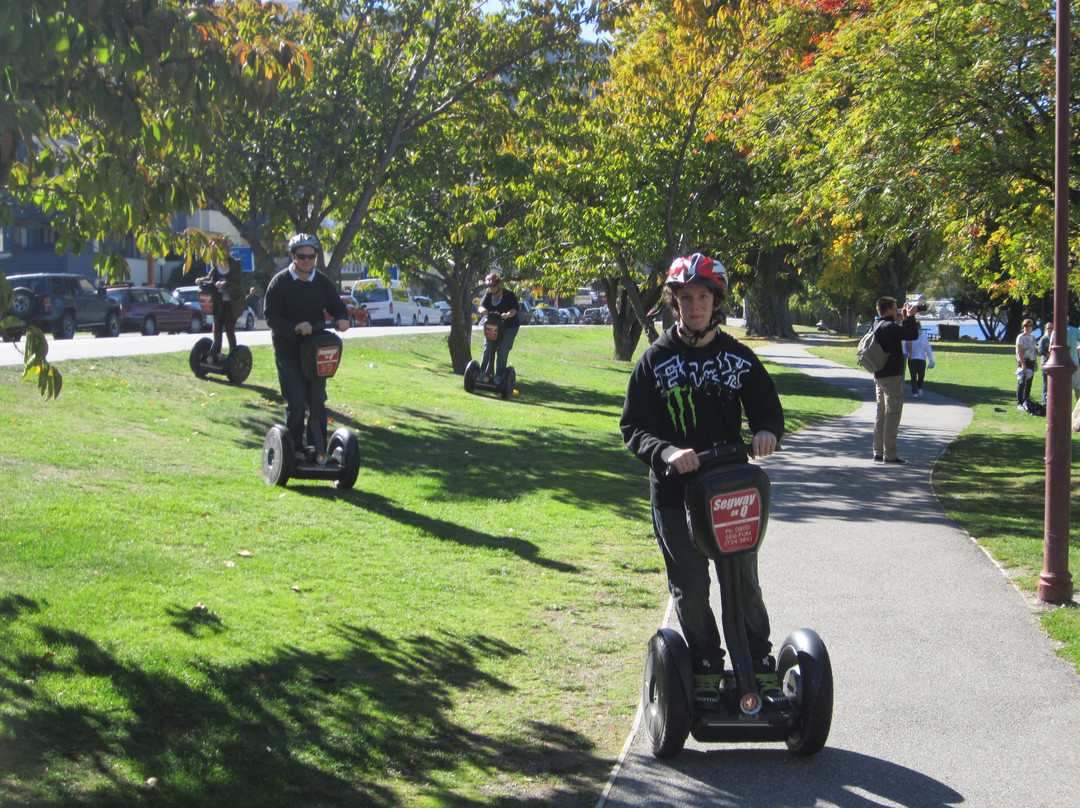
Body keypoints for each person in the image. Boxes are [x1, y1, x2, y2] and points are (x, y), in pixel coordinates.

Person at [620, 253, 784, 709]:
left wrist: (767, 431)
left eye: (704, 298)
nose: (695, 306)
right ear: (674, 301)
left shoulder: (738, 356)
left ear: (716, 303)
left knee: (744, 583)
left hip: (731, 491)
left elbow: (767, 406)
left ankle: (758, 662)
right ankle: (706, 665)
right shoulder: (654, 360)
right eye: (687, 297)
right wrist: (667, 451)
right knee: (691, 588)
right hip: (676, 495)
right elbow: (633, 427)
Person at [263, 234, 349, 455]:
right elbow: (271, 318)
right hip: (288, 352)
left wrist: (342, 318)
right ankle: (294, 451)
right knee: (297, 401)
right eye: (302, 256)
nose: (307, 261)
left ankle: (318, 451)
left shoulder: (321, 282)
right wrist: (295, 327)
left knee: (317, 401)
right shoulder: (280, 282)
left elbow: (336, 305)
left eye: (311, 256)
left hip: (315, 353)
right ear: (293, 256)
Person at [870, 296, 920, 464]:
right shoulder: (889, 327)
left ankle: (878, 452)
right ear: (888, 310)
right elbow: (912, 335)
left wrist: (905, 319)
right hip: (892, 376)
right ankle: (890, 455)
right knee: (893, 414)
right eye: (895, 308)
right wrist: (910, 317)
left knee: (881, 414)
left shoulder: (877, 325)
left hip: (879, 375)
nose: (898, 310)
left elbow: (902, 333)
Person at [475, 270, 520, 384]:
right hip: (493, 324)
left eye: (494, 285)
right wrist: (483, 310)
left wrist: (508, 314)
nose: (491, 288)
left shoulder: (509, 295)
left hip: (509, 326)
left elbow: (514, 309)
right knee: (488, 348)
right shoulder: (488, 296)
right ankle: (483, 373)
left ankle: (499, 376)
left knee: (502, 350)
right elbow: (481, 307)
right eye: (489, 286)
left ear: (499, 284)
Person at [198, 255, 244, 361]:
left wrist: (224, 284)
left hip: (232, 303)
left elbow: (237, 282)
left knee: (229, 328)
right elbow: (209, 277)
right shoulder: (216, 265)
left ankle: (233, 355)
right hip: (219, 302)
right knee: (217, 329)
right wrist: (201, 280)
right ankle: (214, 354)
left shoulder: (235, 264)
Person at [903, 324, 935, 398]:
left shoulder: (923, 338)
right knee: (913, 376)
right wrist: (908, 354)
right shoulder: (910, 338)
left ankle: (919, 387)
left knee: (921, 375)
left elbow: (928, 349)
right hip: (912, 359)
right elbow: (906, 347)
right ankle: (914, 392)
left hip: (921, 359)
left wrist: (931, 359)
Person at [1015, 318, 1038, 410]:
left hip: (1031, 361)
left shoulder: (1033, 337)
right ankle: (1020, 403)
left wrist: (1035, 362)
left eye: (1029, 326)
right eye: (1026, 326)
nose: (1027, 328)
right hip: (1023, 360)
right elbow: (1019, 351)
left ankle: (1026, 401)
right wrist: (1023, 364)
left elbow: (1034, 350)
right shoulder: (1021, 337)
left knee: (1029, 383)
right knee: (1021, 382)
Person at [1038, 324, 1052, 406]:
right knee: (1046, 385)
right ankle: (1045, 403)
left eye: (1051, 328)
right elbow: (1040, 351)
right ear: (1045, 329)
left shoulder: (1054, 338)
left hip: (1053, 365)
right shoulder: (1043, 339)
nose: (1050, 329)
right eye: (1048, 328)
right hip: (1045, 364)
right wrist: (1049, 355)